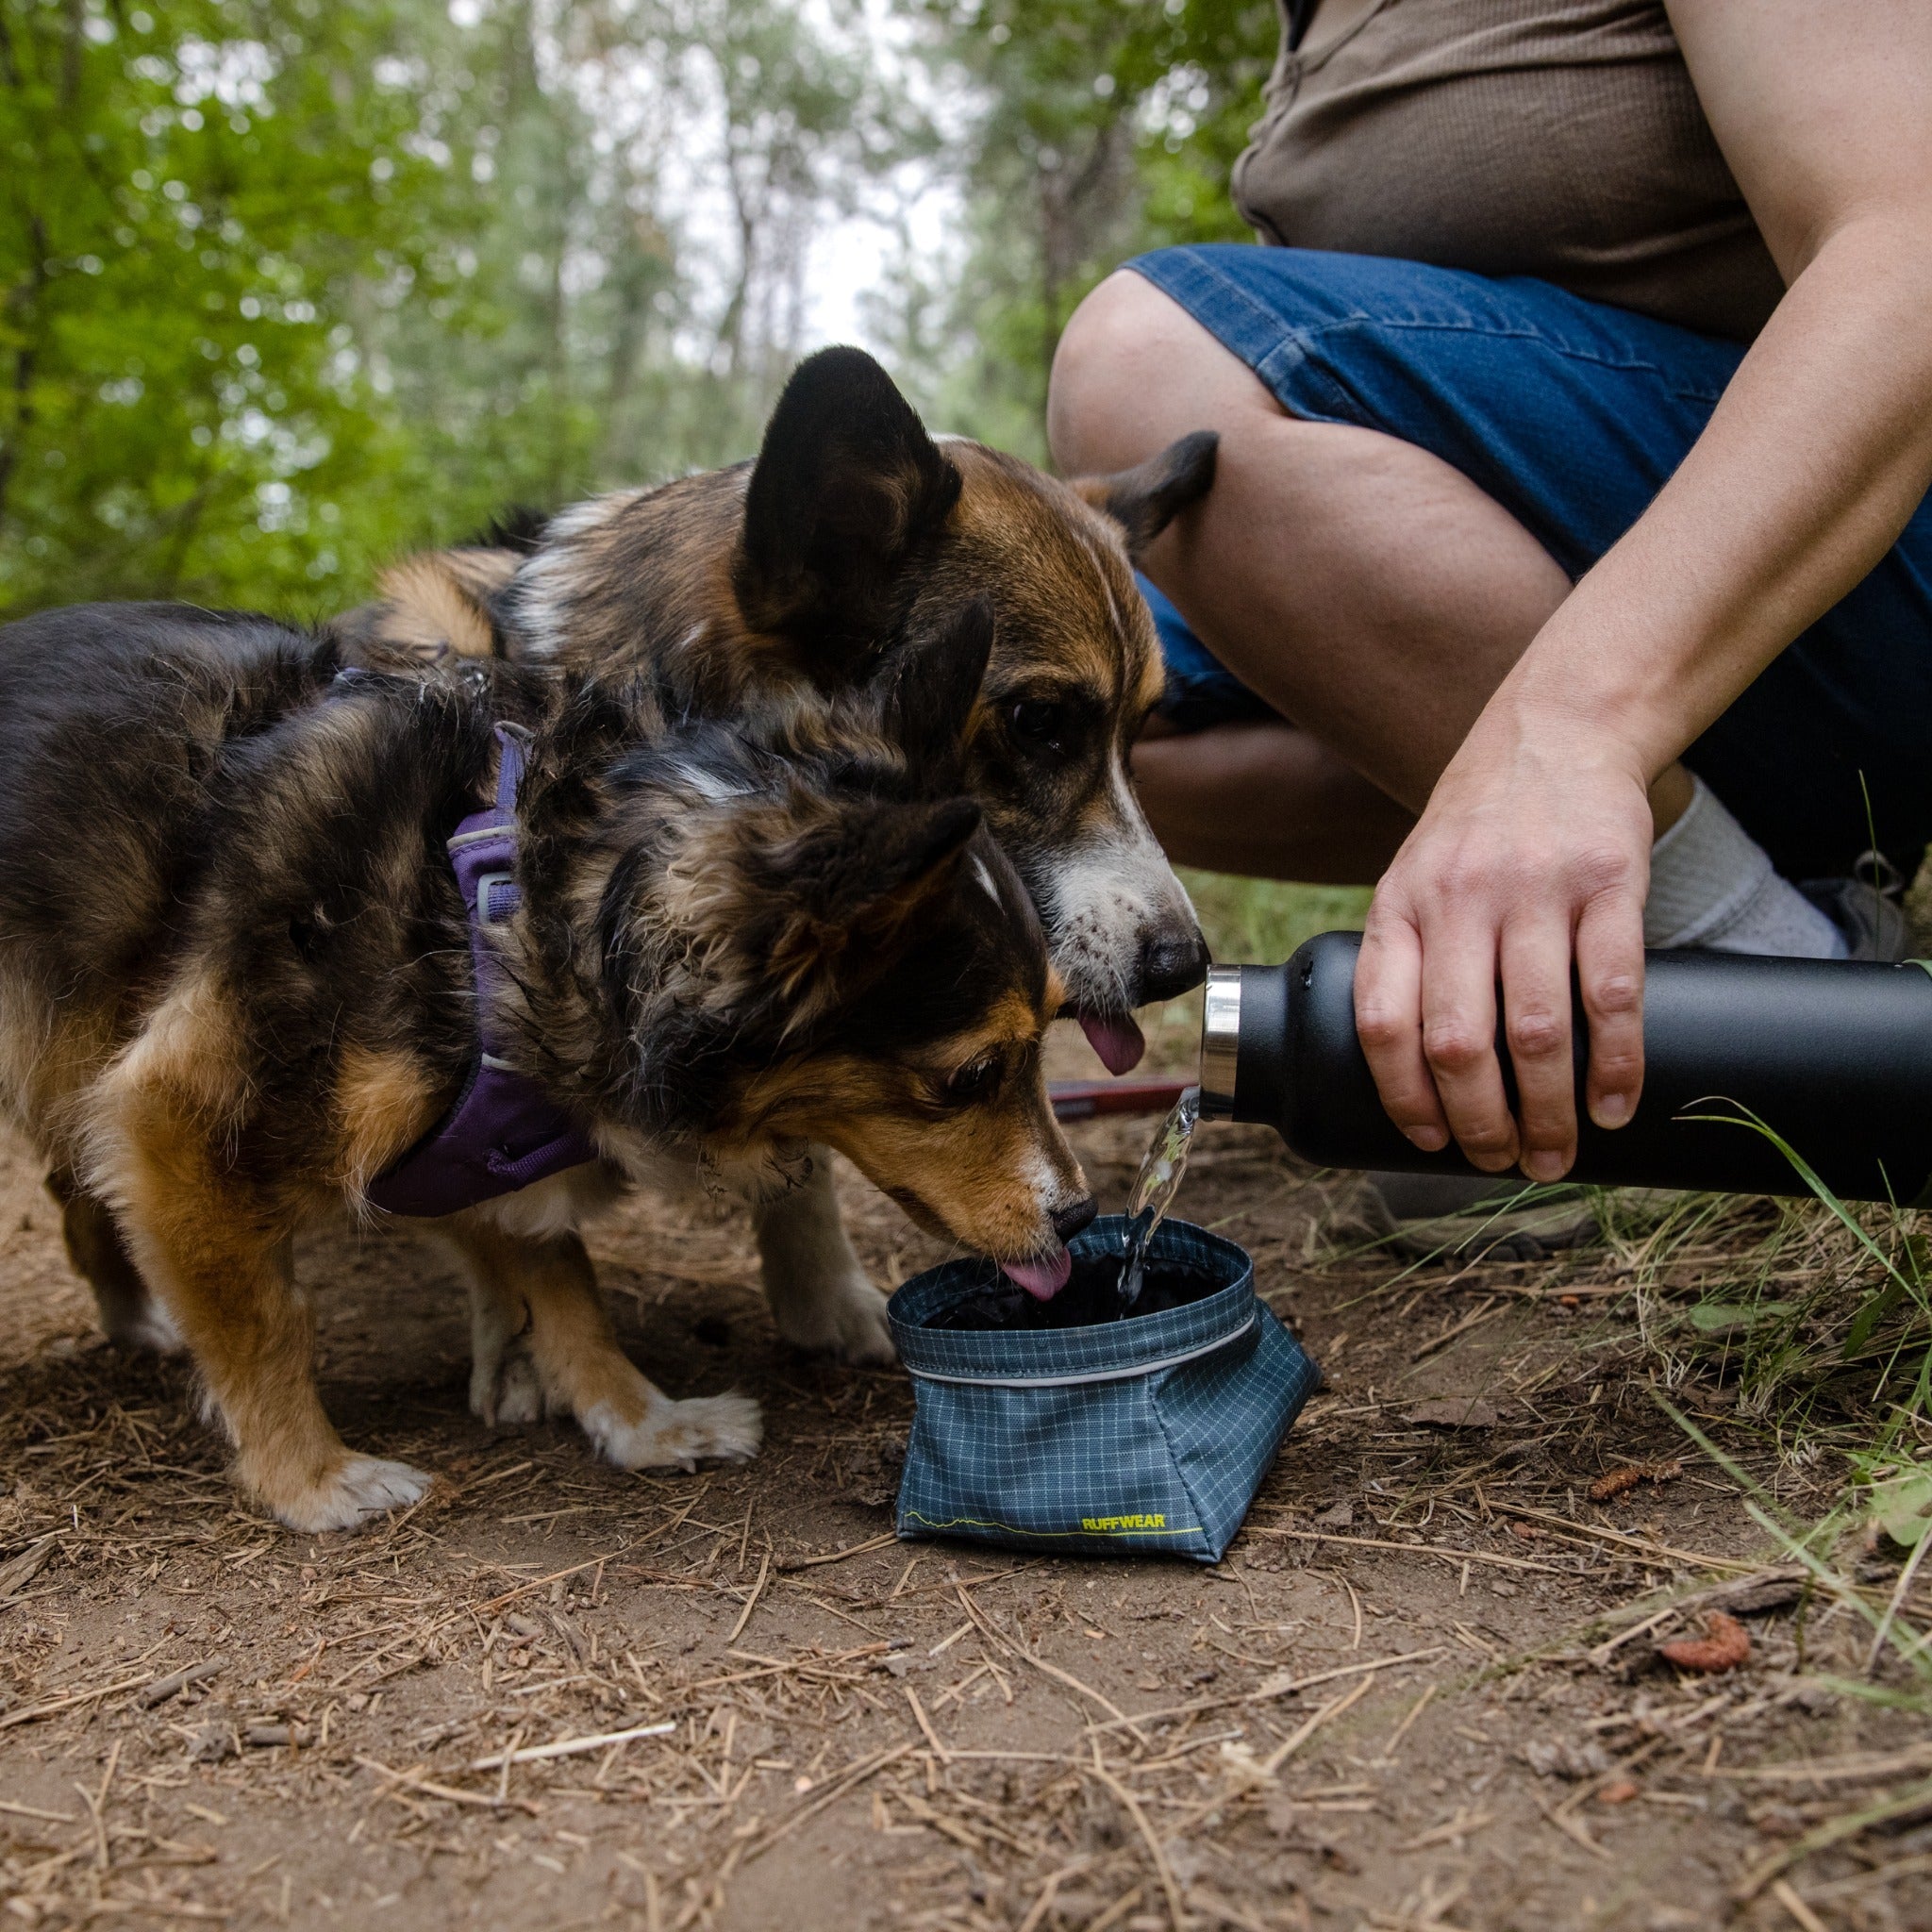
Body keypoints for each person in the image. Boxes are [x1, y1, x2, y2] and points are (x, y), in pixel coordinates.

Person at [1048, 0, 1932, 1196]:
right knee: (1087, 715)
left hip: (1859, 558)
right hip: (1687, 638)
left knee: (1143, 365)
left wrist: (1566, 731)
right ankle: (1668, 923)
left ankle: (1756, 963)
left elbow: (1910, 248)